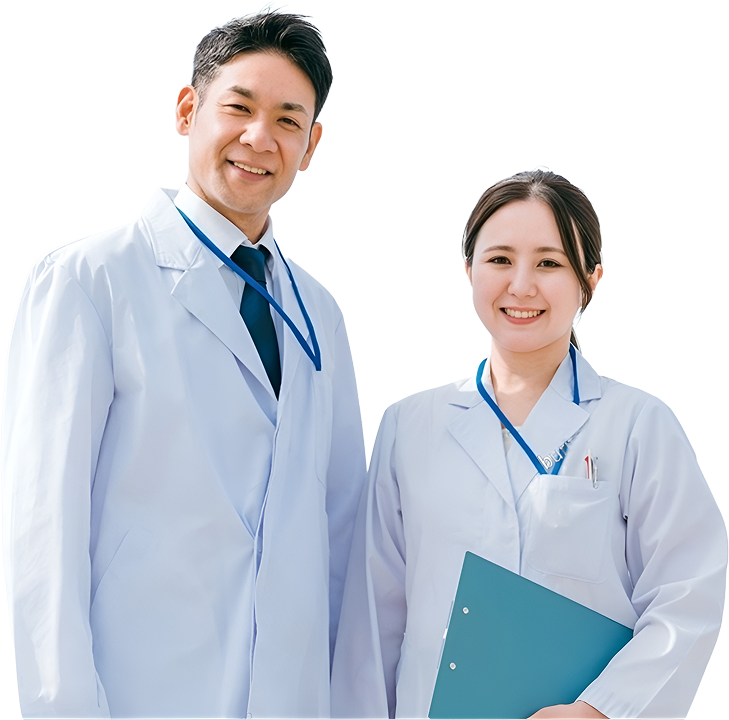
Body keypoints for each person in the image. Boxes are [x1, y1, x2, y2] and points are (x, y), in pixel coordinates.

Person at [2, 4, 367, 718]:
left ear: (311, 145)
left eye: (288, 120)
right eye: (239, 107)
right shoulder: (88, 279)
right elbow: (45, 529)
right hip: (142, 693)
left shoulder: (319, 312)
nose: (259, 138)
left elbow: (341, 529)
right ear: (187, 110)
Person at [330, 167, 727, 719]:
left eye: (549, 263)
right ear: (468, 269)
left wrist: (599, 710)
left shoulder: (639, 424)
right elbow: (372, 622)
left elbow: (688, 593)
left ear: (592, 278)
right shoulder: (408, 425)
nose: (521, 286)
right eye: (499, 259)